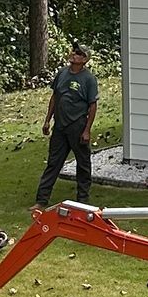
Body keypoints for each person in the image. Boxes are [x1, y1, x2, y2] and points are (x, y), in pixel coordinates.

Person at [36, 41, 99, 207]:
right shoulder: (62, 73)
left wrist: (87, 130)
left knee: (83, 164)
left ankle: (83, 202)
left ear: (84, 59)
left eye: (78, 53)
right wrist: (47, 120)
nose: (74, 54)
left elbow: (93, 105)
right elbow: (55, 97)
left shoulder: (89, 79)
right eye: (74, 51)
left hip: (77, 125)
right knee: (53, 162)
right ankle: (41, 200)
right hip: (60, 126)